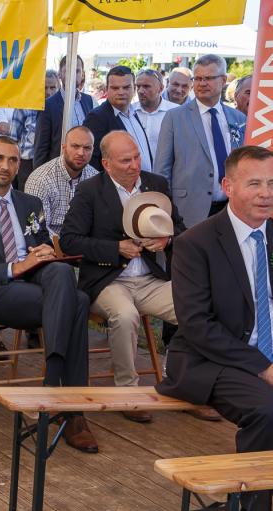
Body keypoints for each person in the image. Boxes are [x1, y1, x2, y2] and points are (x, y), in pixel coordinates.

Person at [0, 136, 98, 452]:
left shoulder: (31, 204)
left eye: (13, 160)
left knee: (60, 272)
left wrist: (43, 253)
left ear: (19, 166)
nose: (6, 166)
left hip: (36, 284)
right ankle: (72, 410)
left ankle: (54, 387)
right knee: (78, 302)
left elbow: (39, 244)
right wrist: (14, 268)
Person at [156, 146, 273, 511]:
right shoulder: (195, 243)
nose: (266, 193)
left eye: (272, 183)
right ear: (228, 186)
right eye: (254, 183)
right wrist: (265, 367)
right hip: (209, 359)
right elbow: (196, 325)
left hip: (264, 353)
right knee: (268, 410)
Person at [59, 131, 202, 422]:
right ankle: (127, 393)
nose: (135, 165)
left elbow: (181, 230)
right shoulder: (90, 190)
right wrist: (115, 248)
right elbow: (70, 240)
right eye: (126, 160)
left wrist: (166, 240)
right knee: (125, 316)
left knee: (197, 309)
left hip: (150, 280)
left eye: (137, 157)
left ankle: (185, 384)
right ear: (106, 163)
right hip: (107, 281)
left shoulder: (156, 185)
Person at [154, 54, 247, 229]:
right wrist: (166, 211)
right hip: (188, 212)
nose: (202, 83)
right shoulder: (175, 117)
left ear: (223, 80)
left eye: (209, 78)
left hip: (232, 209)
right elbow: (162, 170)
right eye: (197, 78)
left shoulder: (238, 119)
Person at [24, 126, 99, 236]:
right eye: (75, 146)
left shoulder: (96, 178)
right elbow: (37, 228)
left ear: (93, 150)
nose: (81, 153)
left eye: (87, 148)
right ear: (63, 147)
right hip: (50, 244)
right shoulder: (40, 180)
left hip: (86, 243)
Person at [83, 66, 148, 172]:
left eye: (126, 87)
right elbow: (91, 163)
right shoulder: (97, 117)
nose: (121, 92)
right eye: (115, 88)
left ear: (134, 89)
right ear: (107, 89)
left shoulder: (134, 113)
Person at [33, 55, 94, 168]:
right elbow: (41, 147)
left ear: (82, 74)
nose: (73, 75)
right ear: (60, 74)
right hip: (58, 169)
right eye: (68, 71)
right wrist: (40, 174)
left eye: (77, 71)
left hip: (85, 169)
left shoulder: (88, 101)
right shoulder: (48, 106)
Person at [7, 70, 61, 189]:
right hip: (27, 164)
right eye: (44, 87)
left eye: (52, 87)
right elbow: (13, 140)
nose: (48, 92)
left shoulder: (63, 108)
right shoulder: (24, 105)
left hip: (53, 162)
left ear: (59, 88)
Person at [131, 69, 179, 170]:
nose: (140, 91)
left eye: (146, 86)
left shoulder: (176, 112)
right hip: (135, 173)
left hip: (166, 174)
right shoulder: (129, 112)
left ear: (160, 88)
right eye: (138, 86)